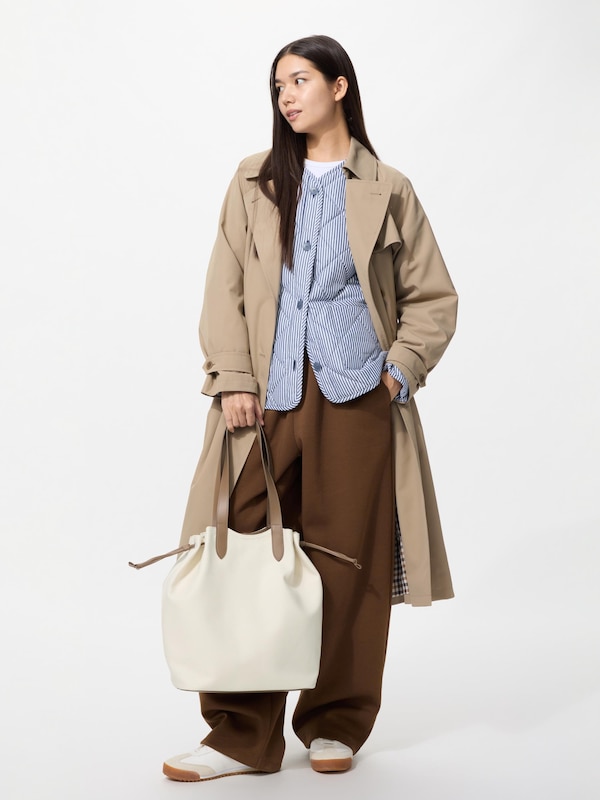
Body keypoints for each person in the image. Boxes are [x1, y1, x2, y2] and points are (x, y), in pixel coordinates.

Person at [163, 34, 458, 782]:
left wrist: (398, 371)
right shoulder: (253, 180)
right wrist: (234, 376)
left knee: (348, 558)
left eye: (298, 80)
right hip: (264, 397)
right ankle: (239, 735)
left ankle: (335, 722)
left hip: (357, 396)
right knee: (242, 545)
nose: (287, 96)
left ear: (339, 86)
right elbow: (225, 284)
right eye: (278, 86)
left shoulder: (387, 187)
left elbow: (433, 297)